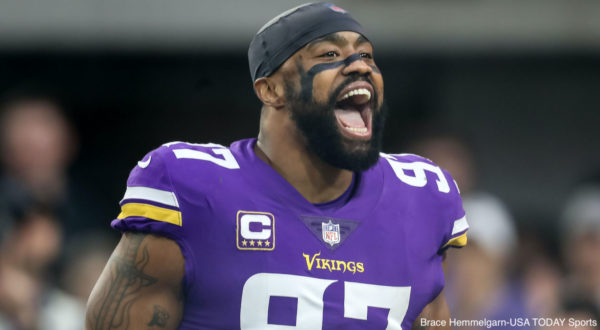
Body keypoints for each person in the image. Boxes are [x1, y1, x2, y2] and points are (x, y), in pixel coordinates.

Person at [86, 3, 468, 329]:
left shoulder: (422, 197)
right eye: (329, 55)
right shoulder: (192, 187)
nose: (359, 66)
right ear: (271, 90)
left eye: (366, 55)